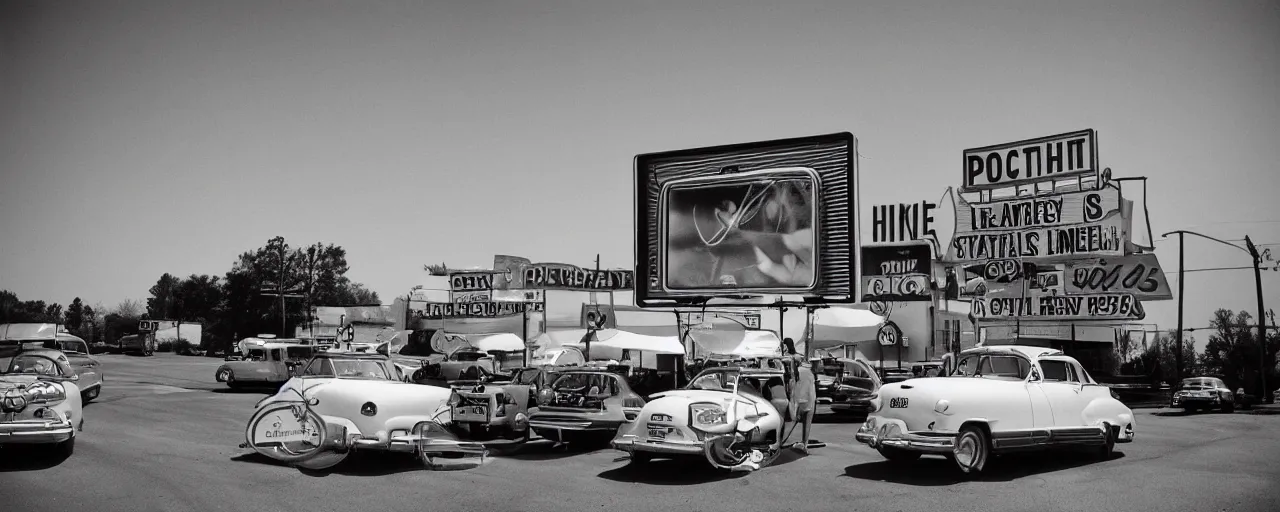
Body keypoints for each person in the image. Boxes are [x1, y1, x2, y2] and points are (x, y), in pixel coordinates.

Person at [789, 354, 818, 454]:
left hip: (799, 401)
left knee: (792, 423)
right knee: (807, 424)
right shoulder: (810, 373)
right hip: (810, 401)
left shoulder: (797, 372)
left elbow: (792, 388)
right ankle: (805, 444)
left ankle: (782, 442)